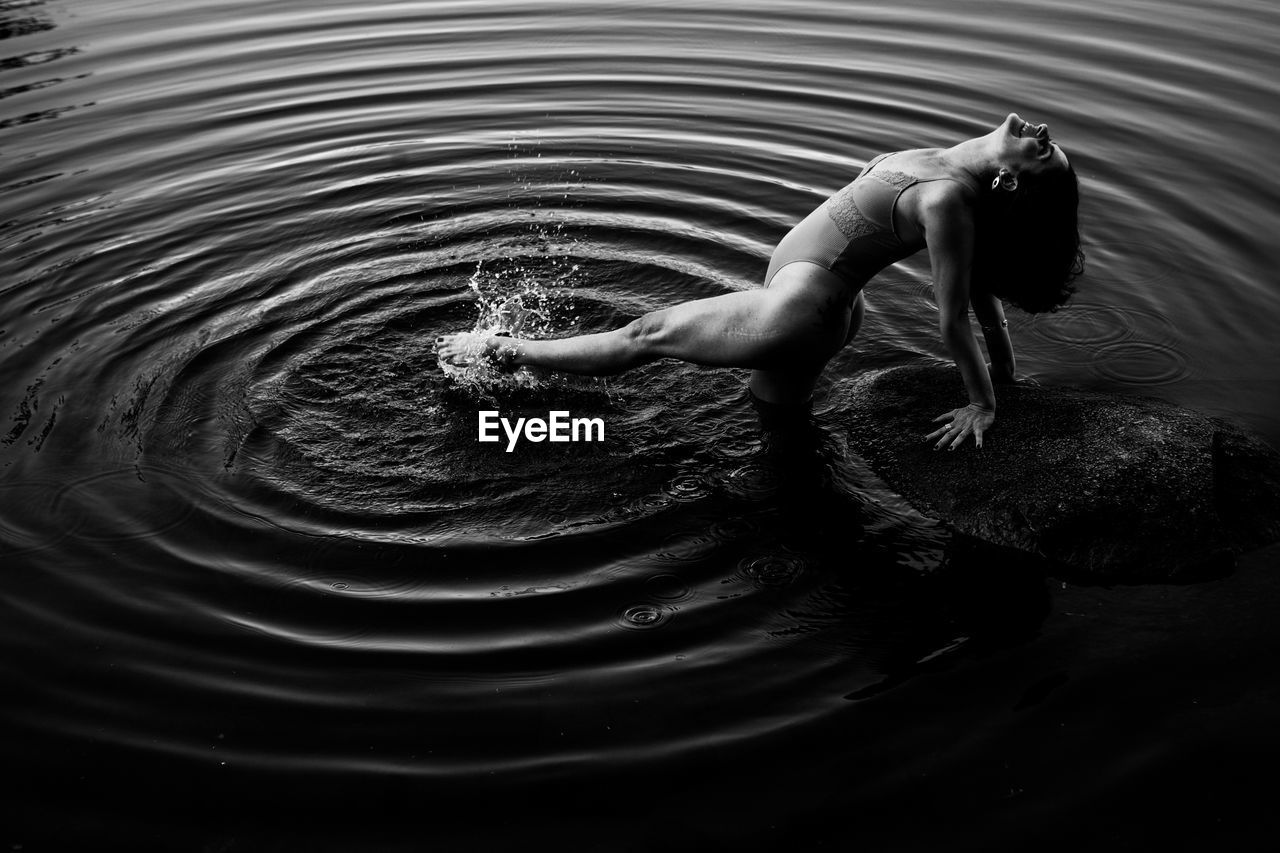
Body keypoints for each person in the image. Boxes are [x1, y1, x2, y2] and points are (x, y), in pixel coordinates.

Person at [438, 112, 1084, 450]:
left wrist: (985, 401)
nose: (1042, 135)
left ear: (1014, 180)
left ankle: (504, 352)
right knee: (778, 428)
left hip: (801, 311)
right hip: (814, 309)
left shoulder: (948, 200)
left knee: (646, 333)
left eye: (1045, 153)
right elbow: (980, 291)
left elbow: (956, 314)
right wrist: (1005, 370)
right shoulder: (944, 165)